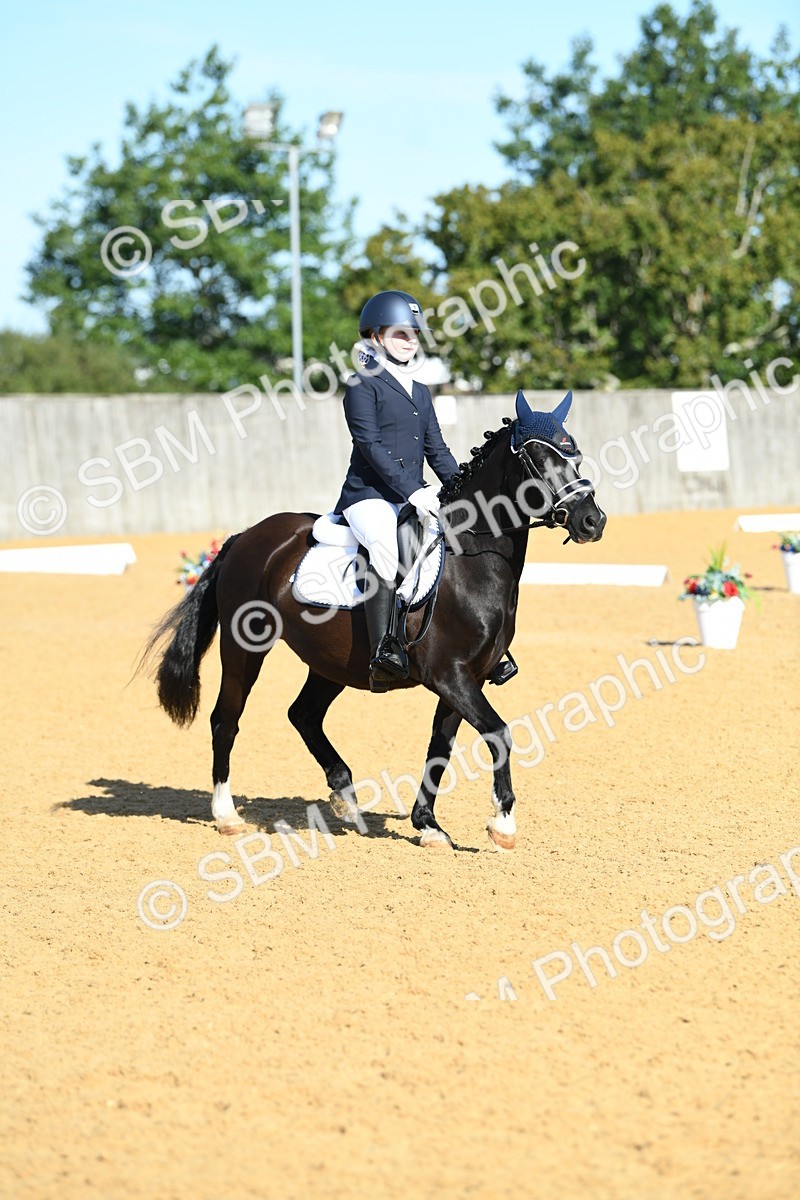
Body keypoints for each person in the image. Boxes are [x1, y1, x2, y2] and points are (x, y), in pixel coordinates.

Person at [333, 290, 459, 691]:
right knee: (387, 546)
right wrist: (413, 489)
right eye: (401, 334)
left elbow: (436, 448)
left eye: (415, 334)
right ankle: (383, 652)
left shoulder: (420, 390)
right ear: (375, 336)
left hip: (412, 496)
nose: (411, 340)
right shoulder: (361, 385)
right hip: (368, 496)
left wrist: (462, 490)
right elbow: (369, 445)